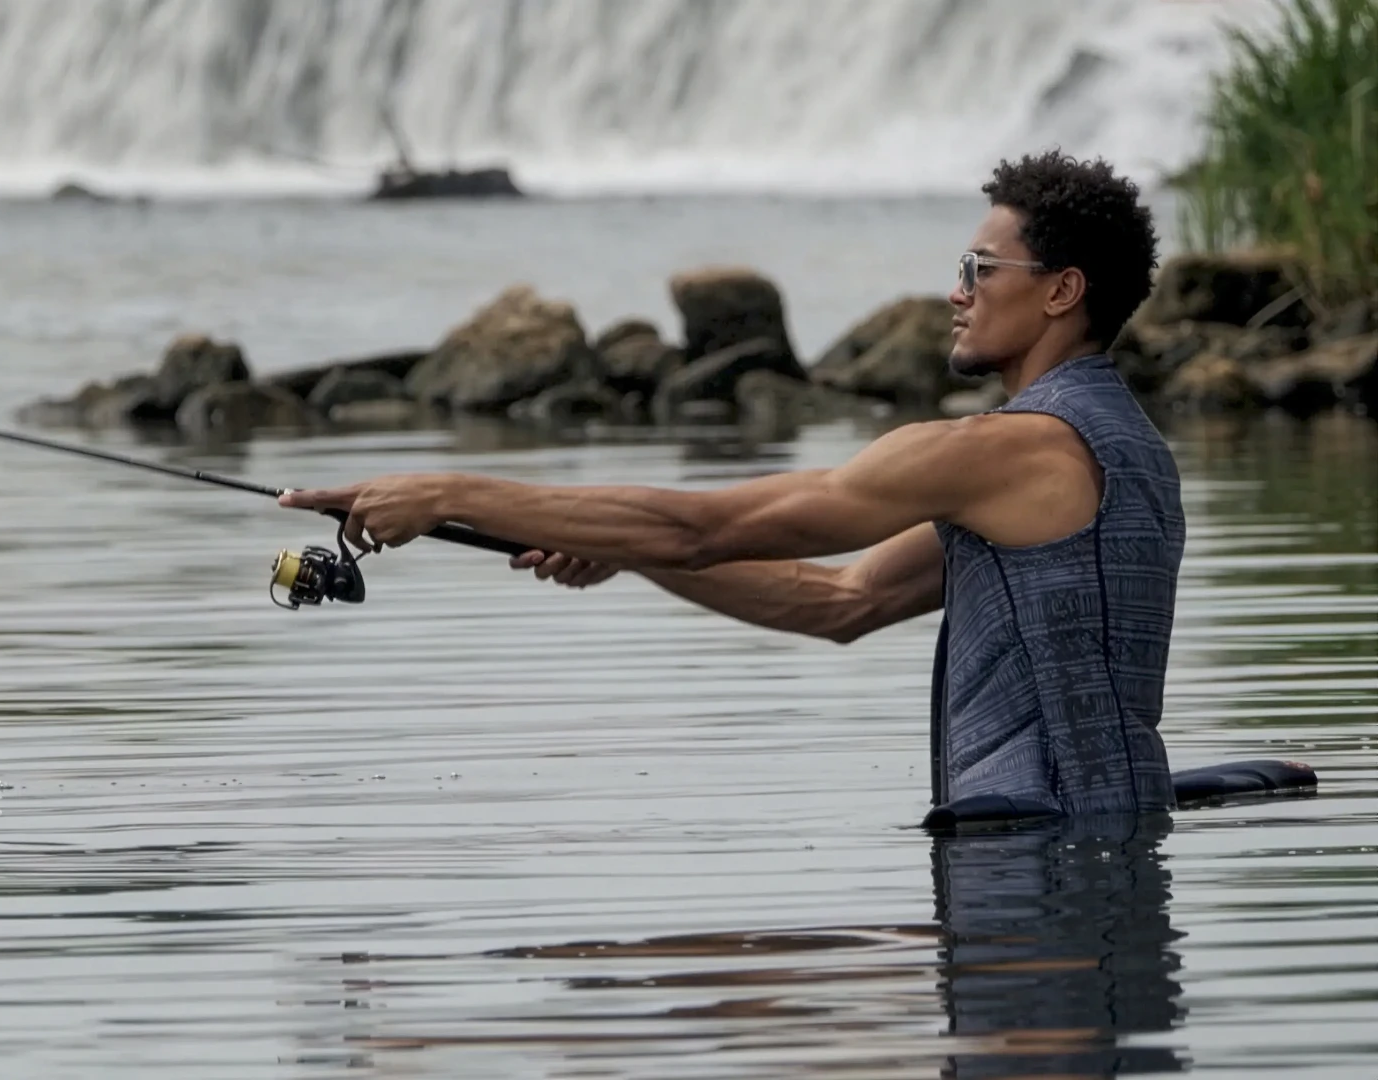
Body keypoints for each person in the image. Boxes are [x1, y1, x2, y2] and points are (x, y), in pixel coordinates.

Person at [280, 149, 1183, 823]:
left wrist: (445, 491)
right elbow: (841, 599)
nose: (956, 291)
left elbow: (705, 527)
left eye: (980, 270)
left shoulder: (1004, 450)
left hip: (1039, 866)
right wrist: (622, 551)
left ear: (1062, 291)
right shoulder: (1127, 450)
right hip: (1089, 844)